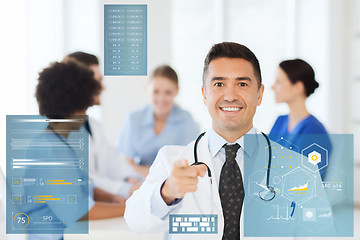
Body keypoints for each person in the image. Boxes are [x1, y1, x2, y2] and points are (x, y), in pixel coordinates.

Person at [124, 42, 333, 239]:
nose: (230, 95)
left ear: (259, 94)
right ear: (205, 94)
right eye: (219, 83)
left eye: (242, 83)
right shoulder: (172, 160)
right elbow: (135, 220)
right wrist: (167, 191)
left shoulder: (300, 168)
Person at [24, 61, 126, 240]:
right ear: (71, 108)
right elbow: (81, 213)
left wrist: (112, 197)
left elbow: (83, 187)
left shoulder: (57, 143)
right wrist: (131, 208)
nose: (85, 115)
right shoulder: (50, 153)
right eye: (84, 108)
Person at [64, 52, 141, 198]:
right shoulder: (61, 131)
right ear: (79, 85)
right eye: (97, 81)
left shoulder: (94, 126)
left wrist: (131, 179)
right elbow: (84, 179)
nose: (103, 87)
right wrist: (127, 189)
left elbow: (114, 160)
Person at [117, 65, 199, 178]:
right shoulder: (133, 119)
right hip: (140, 183)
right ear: (147, 89)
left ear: (176, 92)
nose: (161, 98)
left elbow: (192, 162)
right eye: (156, 92)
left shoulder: (186, 120)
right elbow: (125, 163)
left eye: (168, 92)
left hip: (176, 183)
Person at [269, 59, 332, 179]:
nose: (272, 87)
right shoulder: (280, 121)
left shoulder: (314, 130)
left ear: (298, 87)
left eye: (279, 82)